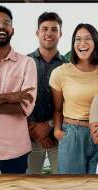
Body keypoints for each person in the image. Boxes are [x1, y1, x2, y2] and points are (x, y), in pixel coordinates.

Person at [49, 23, 98, 174]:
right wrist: (57, 131)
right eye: (77, 39)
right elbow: (57, 108)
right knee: (72, 187)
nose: (82, 43)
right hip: (72, 134)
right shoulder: (60, 73)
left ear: (96, 42)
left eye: (87, 39)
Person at [0, 5, 37, 174]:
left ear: (12, 30)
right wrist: (10, 96)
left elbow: (24, 108)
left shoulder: (27, 63)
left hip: (15, 150)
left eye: (6, 23)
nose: (1, 26)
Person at [27, 12, 67, 175]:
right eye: (44, 29)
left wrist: (49, 126)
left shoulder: (67, 65)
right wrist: (34, 128)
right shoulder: (25, 63)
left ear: (60, 34)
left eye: (54, 29)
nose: (49, 33)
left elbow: (70, 102)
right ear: (37, 33)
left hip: (59, 137)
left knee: (63, 184)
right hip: (30, 136)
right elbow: (19, 100)